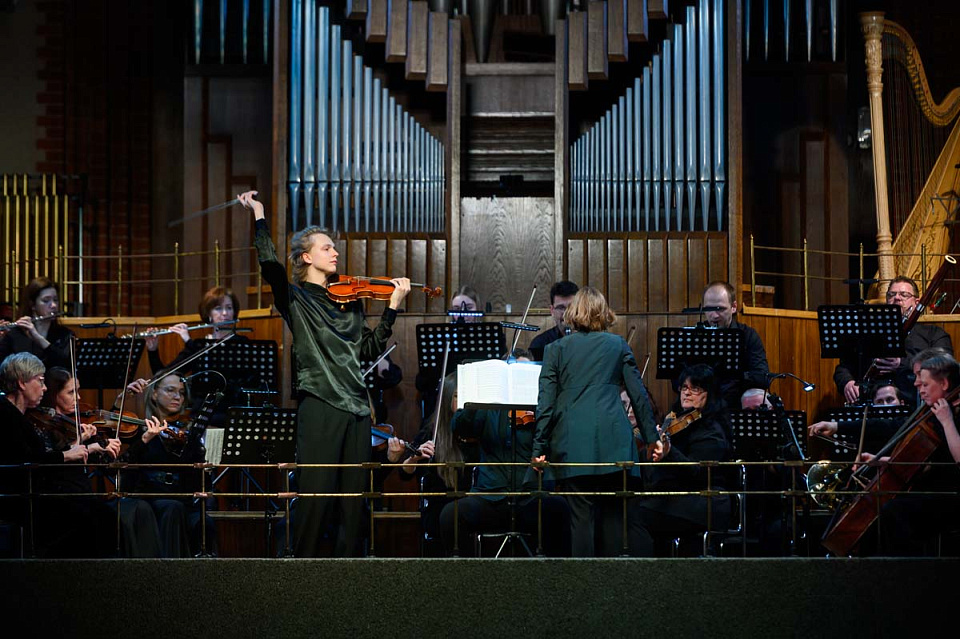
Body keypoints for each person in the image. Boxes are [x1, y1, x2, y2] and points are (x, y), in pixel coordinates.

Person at [240, 189, 410, 557]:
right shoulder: (296, 299)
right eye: (326, 248)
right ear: (306, 257)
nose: (335, 253)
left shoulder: (349, 303)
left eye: (334, 248)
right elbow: (270, 264)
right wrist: (259, 213)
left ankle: (350, 584)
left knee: (355, 505)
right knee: (315, 499)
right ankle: (304, 581)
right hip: (320, 405)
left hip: (358, 410)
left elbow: (367, 350)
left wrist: (392, 310)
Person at [531, 286, 661, 557]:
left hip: (573, 445)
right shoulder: (618, 345)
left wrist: (538, 448)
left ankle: (584, 591)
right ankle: (612, 590)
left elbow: (545, 404)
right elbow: (639, 395)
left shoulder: (555, 349)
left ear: (572, 313)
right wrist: (652, 439)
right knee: (615, 520)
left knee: (581, 520)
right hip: (615, 443)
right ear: (604, 313)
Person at [816, 354, 960, 556]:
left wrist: (948, 422)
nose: (919, 387)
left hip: (951, 495)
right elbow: (896, 432)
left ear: (944, 383)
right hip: (930, 489)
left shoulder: (949, 413)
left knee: (893, 512)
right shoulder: (933, 412)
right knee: (881, 508)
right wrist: (880, 460)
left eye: (924, 383)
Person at [438, 354, 571, 557]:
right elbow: (461, 427)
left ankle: (554, 581)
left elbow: (557, 441)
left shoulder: (541, 410)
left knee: (559, 509)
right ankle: (464, 581)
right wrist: (476, 402)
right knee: (451, 515)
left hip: (530, 495)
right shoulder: (488, 407)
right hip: (491, 496)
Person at [35, 367, 162, 558]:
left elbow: (113, 467)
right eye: (71, 392)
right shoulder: (43, 427)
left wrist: (142, 440)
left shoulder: (82, 425)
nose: (78, 398)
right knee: (116, 516)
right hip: (60, 503)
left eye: (78, 391)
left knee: (140, 509)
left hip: (87, 501)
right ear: (53, 395)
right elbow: (52, 466)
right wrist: (83, 443)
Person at [0, 353, 100, 556]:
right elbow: (25, 459)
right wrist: (67, 455)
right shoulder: (5, 413)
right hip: (19, 499)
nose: (45, 388)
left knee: (89, 507)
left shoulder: (17, 415)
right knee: (84, 514)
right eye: (41, 381)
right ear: (22, 383)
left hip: (32, 494)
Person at [629, 364, 733, 557]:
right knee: (629, 505)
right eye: (684, 388)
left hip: (705, 501)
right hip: (678, 498)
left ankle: (643, 574)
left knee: (636, 513)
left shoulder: (712, 431)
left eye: (696, 389)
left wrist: (669, 451)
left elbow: (698, 473)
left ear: (709, 394)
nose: (687, 393)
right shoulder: (676, 421)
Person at [121, 371, 212, 557]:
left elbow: (200, 478)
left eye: (181, 392)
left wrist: (194, 445)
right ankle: (169, 572)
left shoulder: (187, 432)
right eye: (170, 390)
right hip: (148, 499)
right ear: (154, 394)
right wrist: (145, 440)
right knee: (172, 508)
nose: (177, 397)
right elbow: (124, 466)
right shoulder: (138, 430)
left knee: (205, 521)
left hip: (183, 499)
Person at [833, 276, 952, 405]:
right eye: (891, 294)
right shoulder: (869, 333)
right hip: (873, 409)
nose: (897, 298)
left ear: (916, 303)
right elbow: (843, 368)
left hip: (916, 408)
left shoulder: (934, 334)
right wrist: (847, 383)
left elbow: (945, 366)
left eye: (904, 295)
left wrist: (902, 363)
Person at [701, 281, 770, 409]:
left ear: (733, 307)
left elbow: (762, 377)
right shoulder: (696, 335)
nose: (714, 315)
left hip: (737, 401)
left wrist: (732, 376)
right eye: (708, 309)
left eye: (720, 309)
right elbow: (677, 381)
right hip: (703, 403)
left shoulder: (748, 335)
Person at [0, 277, 73, 369]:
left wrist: (38, 338)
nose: (54, 305)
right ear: (33, 305)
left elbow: (66, 364)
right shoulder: (14, 335)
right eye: (46, 301)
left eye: (55, 300)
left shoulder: (65, 335)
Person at [529, 281, 579, 361]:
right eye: (560, 308)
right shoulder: (540, 344)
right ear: (552, 310)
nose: (566, 313)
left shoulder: (590, 342)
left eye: (571, 307)